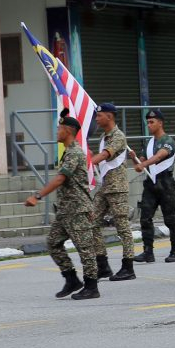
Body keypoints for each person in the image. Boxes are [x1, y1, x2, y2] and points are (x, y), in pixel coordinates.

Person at [25, 116, 101, 300]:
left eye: (59, 128)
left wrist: (37, 196)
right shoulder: (67, 152)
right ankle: (71, 279)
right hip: (66, 210)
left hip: (78, 209)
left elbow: (60, 179)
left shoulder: (75, 153)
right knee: (53, 242)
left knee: (85, 248)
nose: (56, 131)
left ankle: (92, 287)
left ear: (67, 130)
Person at [88, 103, 134, 281]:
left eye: (99, 116)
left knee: (122, 226)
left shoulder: (118, 136)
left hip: (117, 188)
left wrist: (88, 162)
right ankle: (103, 265)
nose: (97, 119)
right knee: (92, 222)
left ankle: (128, 266)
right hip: (105, 187)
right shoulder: (104, 136)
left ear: (109, 116)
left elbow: (106, 154)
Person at [132, 109, 175, 264]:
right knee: (145, 218)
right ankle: (148, 252)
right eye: (147, 122)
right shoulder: (149, 143)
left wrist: (144, 163)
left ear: (160, 122)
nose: (149, 125)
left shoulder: (168, 140)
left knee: (170, 219)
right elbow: (141, 162)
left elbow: (161, 155)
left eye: (152, 122)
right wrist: (135, 159)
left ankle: (174, 252)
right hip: (151, 184)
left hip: (165, 183)